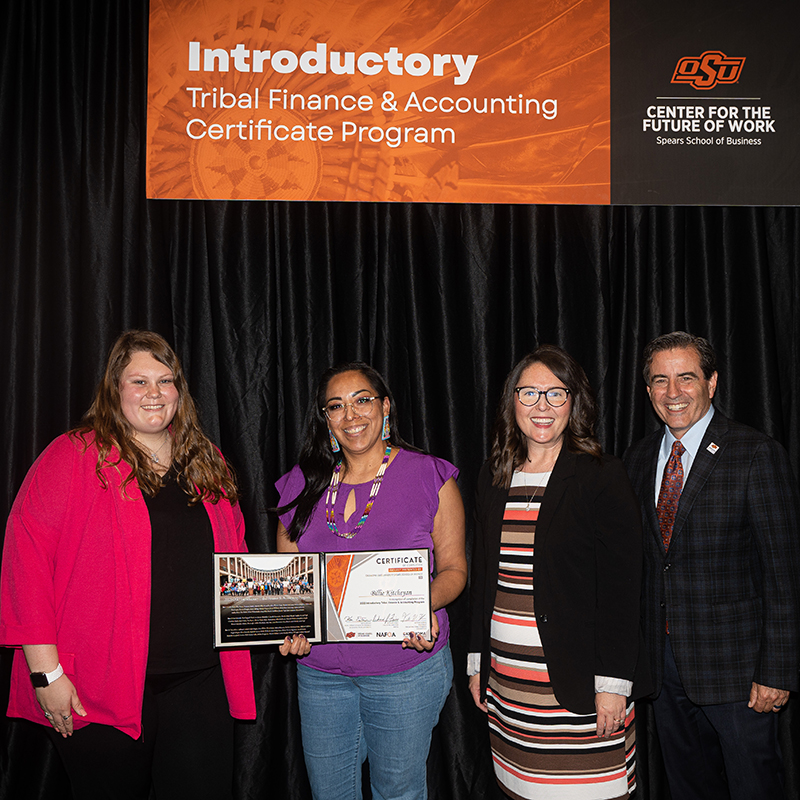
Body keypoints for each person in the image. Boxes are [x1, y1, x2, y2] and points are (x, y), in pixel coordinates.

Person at [0, 330, 256, 800]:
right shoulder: (73, 455)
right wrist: (47, 675)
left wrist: (279, 622)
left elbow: (235, 564)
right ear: (115, 389)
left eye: (165, 380)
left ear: (180, 390)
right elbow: (26, 562)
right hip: (97, 686)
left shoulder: (208, 461)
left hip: (198, 681)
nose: (154, 393)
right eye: (139, 382)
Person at [276, 362, 467, 800]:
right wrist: (291, 625)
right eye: (336, 406)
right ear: (325, 419)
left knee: (397, 793)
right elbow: (292, 587)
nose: (351, 415)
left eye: (362, 400)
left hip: (404, 670)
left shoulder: (429, 476)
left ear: (385, 408)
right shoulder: (298, 486)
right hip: (320, 674)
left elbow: (455, 571)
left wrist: (422, 607)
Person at [623, 331, 800, 800]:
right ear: (647, 391)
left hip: (740, 674)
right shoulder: (637, 459)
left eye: (686, 378)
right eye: (660, 381)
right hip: (663, 672)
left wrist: (777, 671)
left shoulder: (755, 454)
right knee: (688, 789)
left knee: (754, 788)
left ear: (712, 382)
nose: (673, 392)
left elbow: (784, 575)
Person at [468, 345, 648, 800]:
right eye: (529, 393)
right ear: (512, 402)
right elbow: (483, 574)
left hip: (577, 685)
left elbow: (622, 590)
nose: (541, 406)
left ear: (575, 402)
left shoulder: (601, 475)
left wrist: (613, 685)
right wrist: (477, 662)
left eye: (555, 393)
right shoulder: (495, 474)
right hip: (510, 686)